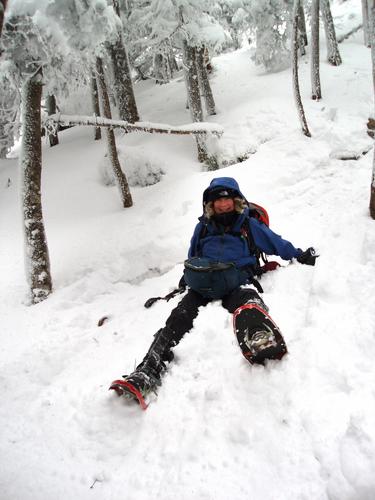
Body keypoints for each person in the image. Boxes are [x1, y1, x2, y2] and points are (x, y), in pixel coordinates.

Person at [111, 177, 317, 401]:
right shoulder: (203, 227)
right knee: (178, 318)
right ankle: (146, 372)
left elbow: (276, 243)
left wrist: (299, 255)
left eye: (227, 199)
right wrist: (185, 281)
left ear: (236, 200)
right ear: (210, 204)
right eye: (217, 201)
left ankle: (260, 334)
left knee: (247, 299)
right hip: (203, 285)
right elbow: (193, 257)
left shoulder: (248, 224)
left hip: (236, 280)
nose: (223, 204)